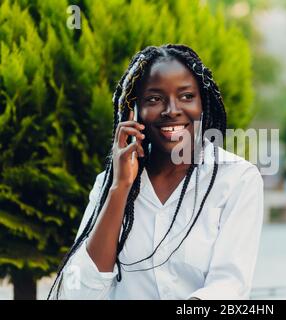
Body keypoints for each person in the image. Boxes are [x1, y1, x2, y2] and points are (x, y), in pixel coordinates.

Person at [47, 44, 264, 300]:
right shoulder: (110, 183)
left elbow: (229, 287)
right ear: (133, 110)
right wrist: (120, 188)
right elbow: (80, 292)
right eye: (154, 99)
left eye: (186, 96)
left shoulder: (236, 179)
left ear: (203, 104)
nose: (171, 110)